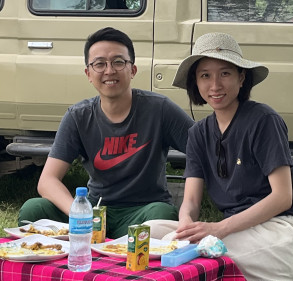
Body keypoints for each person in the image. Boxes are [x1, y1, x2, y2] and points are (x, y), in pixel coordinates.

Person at [145, 32, 293, 281]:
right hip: (236, 231)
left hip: (282, 232)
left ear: (241, 77)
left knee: (197, 254)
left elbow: (282, 197)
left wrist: (217, 229)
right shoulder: (198, 133)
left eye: (225, 73)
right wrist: (185, 226)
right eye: (205, 75)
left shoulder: (263, 120)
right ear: (195, 81)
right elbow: (191, 201)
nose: (215, 84)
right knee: (148, 233)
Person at [17, 27, 194, 234]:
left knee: (162, 215)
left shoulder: (159, 109)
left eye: (118, 62)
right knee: (34, 209)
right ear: (88, 74)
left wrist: (190, 206)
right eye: (100, 64)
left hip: (144, 212)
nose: (109, 71)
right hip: (94, 211)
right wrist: (80, 213)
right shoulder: (78, 116)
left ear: (133, 70)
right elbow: (47, 181)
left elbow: (203, 151)